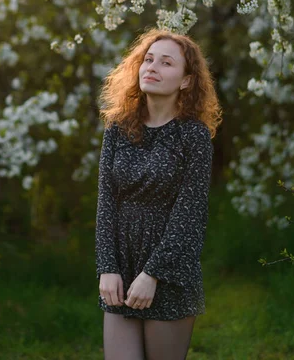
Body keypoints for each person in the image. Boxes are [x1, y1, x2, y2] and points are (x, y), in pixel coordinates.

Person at [95, 27, 223, 360]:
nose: (152, 67)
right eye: (148, 60)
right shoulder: (118, 129)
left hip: (170, 272)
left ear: (185, 81)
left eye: (166, 63)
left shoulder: (193, 137)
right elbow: (106, 204)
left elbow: (190, 215)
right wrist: (107, 267)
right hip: (121, 270)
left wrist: (153, 275)